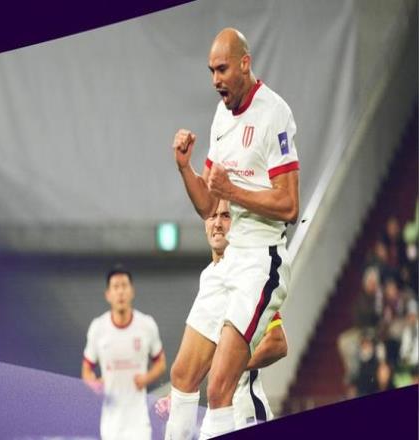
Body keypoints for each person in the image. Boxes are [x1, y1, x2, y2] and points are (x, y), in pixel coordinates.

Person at [170, 27, 299, 438]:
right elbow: (209, 206)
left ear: (245, 63)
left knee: (220, 387)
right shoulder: (221, 117)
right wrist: (185, 169)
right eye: (211, 71)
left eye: (222, 69)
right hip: (229, 259)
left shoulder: (274, 113)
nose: (215, 80)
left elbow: (290, 206)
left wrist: (233, 192)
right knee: (182, 375)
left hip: (261, 259)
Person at [161, 200, 287, 438]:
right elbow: (203, 359)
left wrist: (228, 367)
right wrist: (180, 396)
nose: (217, 223)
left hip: (246, 413)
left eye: (226, 216)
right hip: (217, 413)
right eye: (212, 216)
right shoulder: (209, 276)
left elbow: (277, 342)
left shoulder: (248, 275)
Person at [82, 265, 167, 440]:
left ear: (132, 291)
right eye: (115, 287)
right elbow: (86, 369)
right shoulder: (98, 328)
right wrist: (95, 384)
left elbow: (161, 363)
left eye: (124, 286)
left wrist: (146, 378)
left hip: (139, 423)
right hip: (111, 424)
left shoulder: (146, 325)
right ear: (108, 294)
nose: (120, 291)